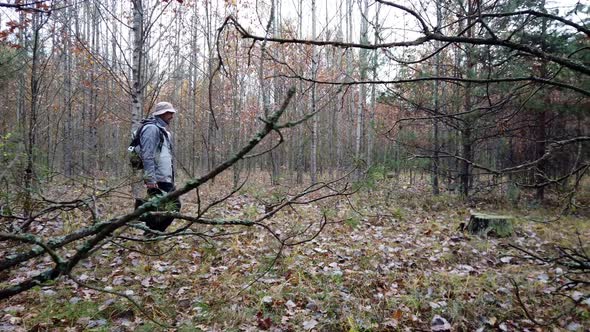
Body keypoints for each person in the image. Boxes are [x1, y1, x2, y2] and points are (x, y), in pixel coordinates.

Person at [134, 101, 181, 234]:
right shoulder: (151, 129)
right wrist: (150, 179)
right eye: (169, 113)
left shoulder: (162, 130)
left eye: (172, 112)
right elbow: (147, 155)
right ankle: (151, 232)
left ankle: (149, 230)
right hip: (157, 178)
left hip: (164, 178)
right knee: (175, 206)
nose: (172, 115)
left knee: (160, 208)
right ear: (161, 114)